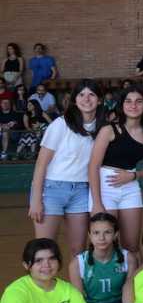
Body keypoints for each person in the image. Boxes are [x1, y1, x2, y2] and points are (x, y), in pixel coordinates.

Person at [29, 80, 101, 255]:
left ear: (99, 100)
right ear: (75, 100)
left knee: (79, 250)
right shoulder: (61, 124)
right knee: (45, 249)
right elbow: (41, 164)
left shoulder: (102, 127)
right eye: (81, 94)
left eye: (91, 94)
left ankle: (76, 283)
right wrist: (36, 200)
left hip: (82, 192)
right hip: (52, 189)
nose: (86, 99)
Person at [87, 86, 143, 255]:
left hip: (130, 187)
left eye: (138, 101)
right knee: (106, 246)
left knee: (131, 247)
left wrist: (133, 175)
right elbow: (93, 166)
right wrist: (96, 202)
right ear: (122, 105)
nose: (133, 105)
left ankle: (131, 281)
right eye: (128, 101)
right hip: (105, 187)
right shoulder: (109, 129)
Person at [66, 213, 132, 303]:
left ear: (116, 234)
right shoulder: (77, 263)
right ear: (89, 235)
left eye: (107, 232)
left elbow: (131, 295)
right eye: (96, 233)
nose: (101, 238)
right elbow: (79, 302)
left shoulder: (128, 258)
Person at [0, 96, 25, 160]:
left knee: (5, 131)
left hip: (13, 133)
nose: (5, 104)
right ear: (1, 104)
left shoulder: (16, 114)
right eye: (3, 103)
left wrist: (13, 124)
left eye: (7, 103)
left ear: (10, 105)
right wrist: (2, 125)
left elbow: (21, 126)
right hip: (1, 132)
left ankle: (4, 153)